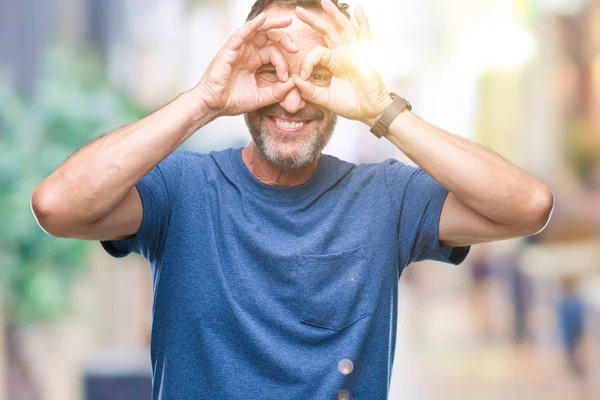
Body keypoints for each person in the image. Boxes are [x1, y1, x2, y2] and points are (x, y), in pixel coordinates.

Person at [30, 0, 554, 398]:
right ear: (240, 76)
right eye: (269, 72)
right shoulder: (180, 189)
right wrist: (202, 102)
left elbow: (527, 206)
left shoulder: (386, 198)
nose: (294, 98)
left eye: (319, 75)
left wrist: (382, 110)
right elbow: (57, 206)